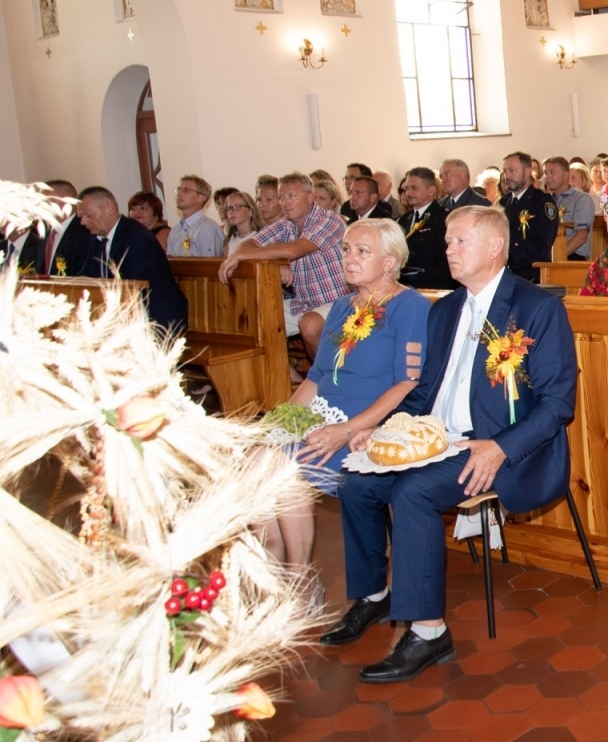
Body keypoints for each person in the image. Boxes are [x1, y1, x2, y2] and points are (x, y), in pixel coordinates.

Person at [326, 206, 577, 683]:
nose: (448, 250)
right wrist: (386, 429)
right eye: (447, 241)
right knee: (355, 478)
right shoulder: (444, 310)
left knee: (412, 492)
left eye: (459, 241)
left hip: (500, 448)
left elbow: (557, 403)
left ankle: (428, 632)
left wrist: (498, 447)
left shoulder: (536, 309)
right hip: (438, 440)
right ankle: (373, 597)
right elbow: (422, 393)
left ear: (494, 247)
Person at [267, 218, 428, 595]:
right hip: (322, 418)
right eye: (345, 250)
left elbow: (408, 382)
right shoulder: (341, 306)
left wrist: (346, 429)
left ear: (389, 262)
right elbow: (316, 377)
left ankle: (301, 583)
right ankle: (274, 578)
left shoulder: (409, 306)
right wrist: (282, 421)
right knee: (261, 459)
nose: (348, 258)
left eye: (361, 251)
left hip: (370, 426)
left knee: (283, 471)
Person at [221, 171, 348, 356]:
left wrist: (249, 257)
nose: (285, 202)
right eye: (281, 197)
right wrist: (279, 263)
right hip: (304, 302)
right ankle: (289, 379)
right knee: (255, 322)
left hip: (338, 299)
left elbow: (294, 250)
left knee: (310, 325)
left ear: (310, 197)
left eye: (291, 196)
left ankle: (324, 379)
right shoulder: (285, 224)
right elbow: (247, 245)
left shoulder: (328, 219)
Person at [74, 186, 188, 333]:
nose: (83, 222)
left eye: (89, 215)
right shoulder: (95, 238)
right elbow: (87, 276)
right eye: (81, 217)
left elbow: (132, 285)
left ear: (109, 208)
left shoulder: (136, 237)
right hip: (122, 318)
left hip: (154, 319)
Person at [498, 152, 558, 283]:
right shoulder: (503, 202)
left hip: (530, 275)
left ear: (527, 171)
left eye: (512, 170)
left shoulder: (542, 202)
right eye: (505, 171)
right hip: (504, 273)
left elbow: (541, 244)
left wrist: (510, 261)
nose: (507, 176)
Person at [395, 168, 454, 291]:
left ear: (431, 190)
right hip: (405, 287)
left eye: (414, 188)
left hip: (435, 287)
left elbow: (445, 260)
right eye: (406, 189)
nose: (408, 193)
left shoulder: (445, 218)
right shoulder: (403, 220)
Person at [544, 156, 595, 261]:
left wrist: (556, 257)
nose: (548, 176)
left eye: (552, 172)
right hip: (550, 257)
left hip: (573, 257)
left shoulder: (581, 199)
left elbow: (581, 237)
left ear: (566, 174)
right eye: (545, 173)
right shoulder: (546, 201)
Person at [168, 174, 225, 257]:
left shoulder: (208, 228)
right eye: (179, 189)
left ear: (201, 198)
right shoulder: (175, 230)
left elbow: (210, 265)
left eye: (186, 190)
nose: (179, 194)